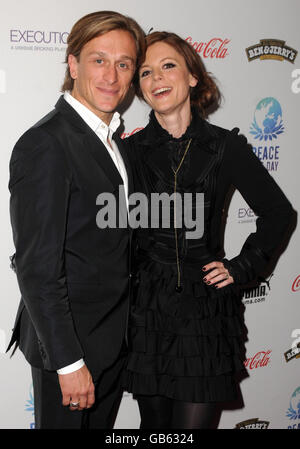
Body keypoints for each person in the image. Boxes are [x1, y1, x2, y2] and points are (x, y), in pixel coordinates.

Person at [122, 31, 295, 429]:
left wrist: (242, 266)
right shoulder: (129, 151)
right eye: (145, 72)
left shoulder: (224, 147)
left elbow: (278, 213)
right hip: (146, 311)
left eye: (168, 66)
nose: (157, 78)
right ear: (140, 88)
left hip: (204, 312)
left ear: (192, 77)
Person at [7, 11, 145, 429]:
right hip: (70, 351)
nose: (111, 75)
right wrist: (68, 363)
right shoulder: (46, 143)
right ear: (73, 65)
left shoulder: (116, 141)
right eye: (98, 60)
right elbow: (37, 269)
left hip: (112, 344)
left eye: (123, 64)